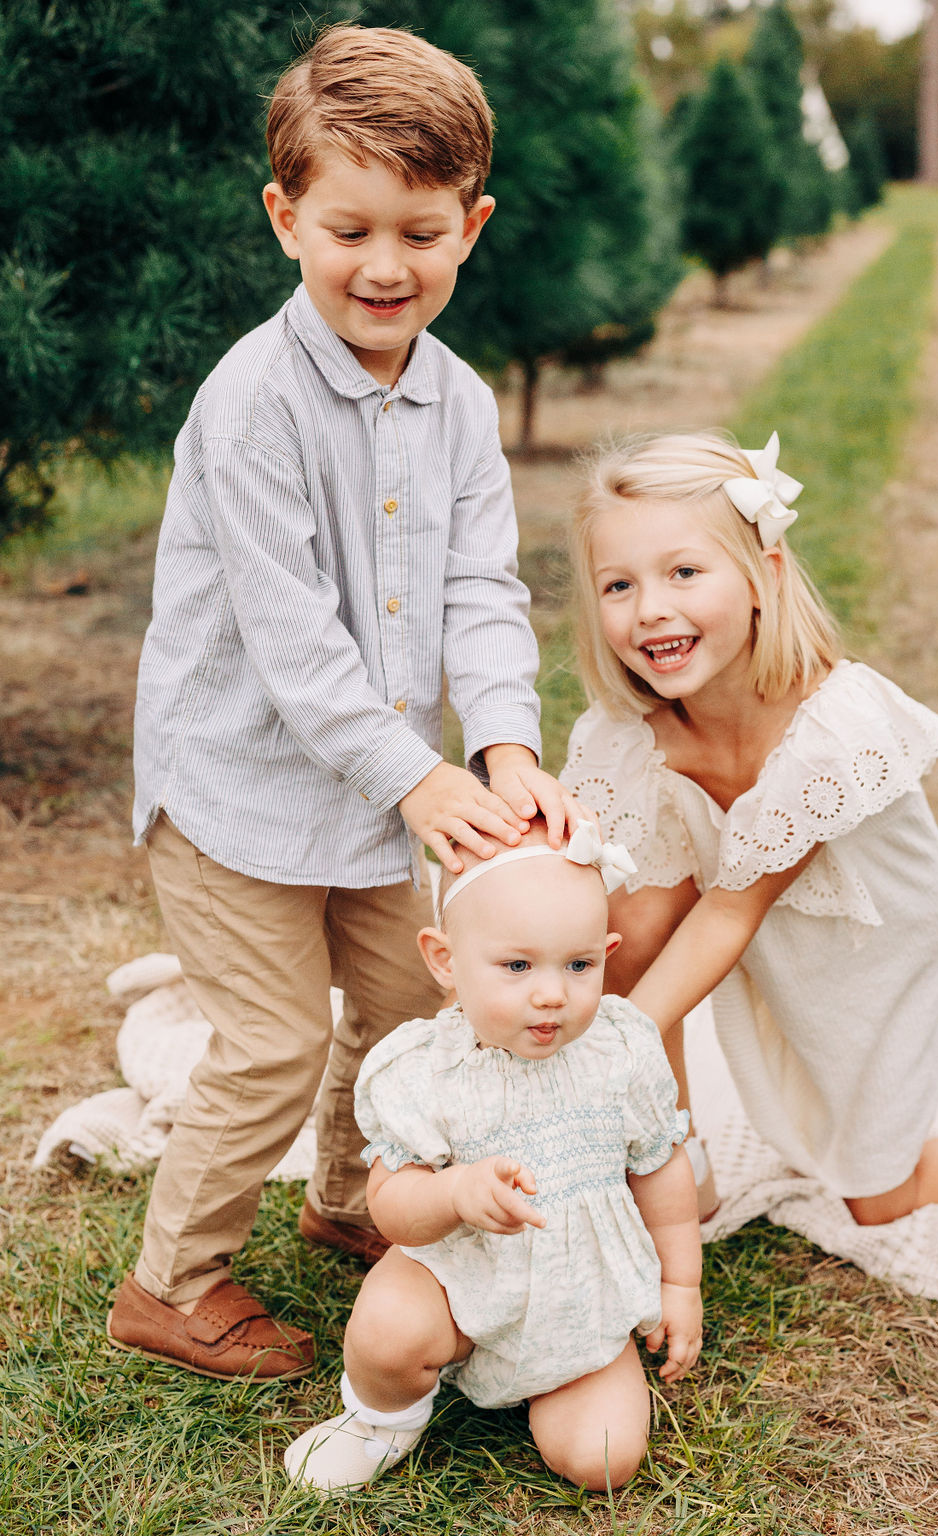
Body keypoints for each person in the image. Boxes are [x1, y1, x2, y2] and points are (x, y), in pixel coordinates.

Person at [106, 24, 577, 1382]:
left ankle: (351, 1198)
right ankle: (175, 1280)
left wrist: (499, 739)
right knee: (267, 1040)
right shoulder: (254, 404)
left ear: (470, 229)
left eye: (421, 232)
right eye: (349, 226)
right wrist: (425, 781)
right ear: (284, 218)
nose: (385, 265)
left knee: (404, 1010)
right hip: (236, 787)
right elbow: (294, 648)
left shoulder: (459, 405)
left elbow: (482, 588)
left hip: (377, 798)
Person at [561, 429, 938, 1227]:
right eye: (619, 586)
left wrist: (612, 1036)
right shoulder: (630, 736)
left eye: (683, 573)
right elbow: (602, 884)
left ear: (760, 578)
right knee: (620, 925)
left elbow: (733, 910)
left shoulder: (831, 728)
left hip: (863, 930)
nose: (652, 610)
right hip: (728, 896)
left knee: (878, 1196)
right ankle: (672, 1158)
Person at [283, 821, 703, 1493]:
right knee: (390, 1325)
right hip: (459, 1282)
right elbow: (391, 1207)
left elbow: (661, 1167)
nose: (551, 994)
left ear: (607, 953)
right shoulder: (425, 1070)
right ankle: (379, 1423)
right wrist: (453, 1195)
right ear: (445, 960)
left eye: (578, 965)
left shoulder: (622, 1052)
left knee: (603, 1460)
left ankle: (575, 1373)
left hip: (579, 1296)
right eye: (517, 966)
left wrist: (680, 1286)